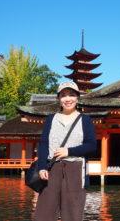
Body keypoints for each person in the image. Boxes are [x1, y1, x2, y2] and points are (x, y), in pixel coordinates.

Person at [34, 81, 97, 221]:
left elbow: (92, 145)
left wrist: (69, 151)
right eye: (63, 95)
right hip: (52, 168)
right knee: (45, 213)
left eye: (72, 95)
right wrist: (42, 166)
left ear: (78, 98)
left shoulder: (85, 120)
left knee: (73, 213)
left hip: (75, 168)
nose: (68, 99)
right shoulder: (51, 119)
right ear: (58, 99)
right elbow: (44, 144)